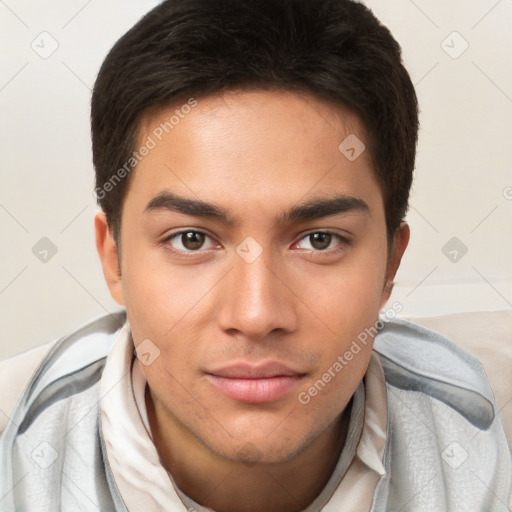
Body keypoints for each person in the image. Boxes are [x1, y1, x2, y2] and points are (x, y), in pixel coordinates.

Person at [0, 0, 510, 510]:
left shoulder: (485, 435)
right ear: (114, 259)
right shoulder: (15, 458)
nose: (256, 315)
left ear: (389, 267)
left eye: (319, 240)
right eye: (192, 239)